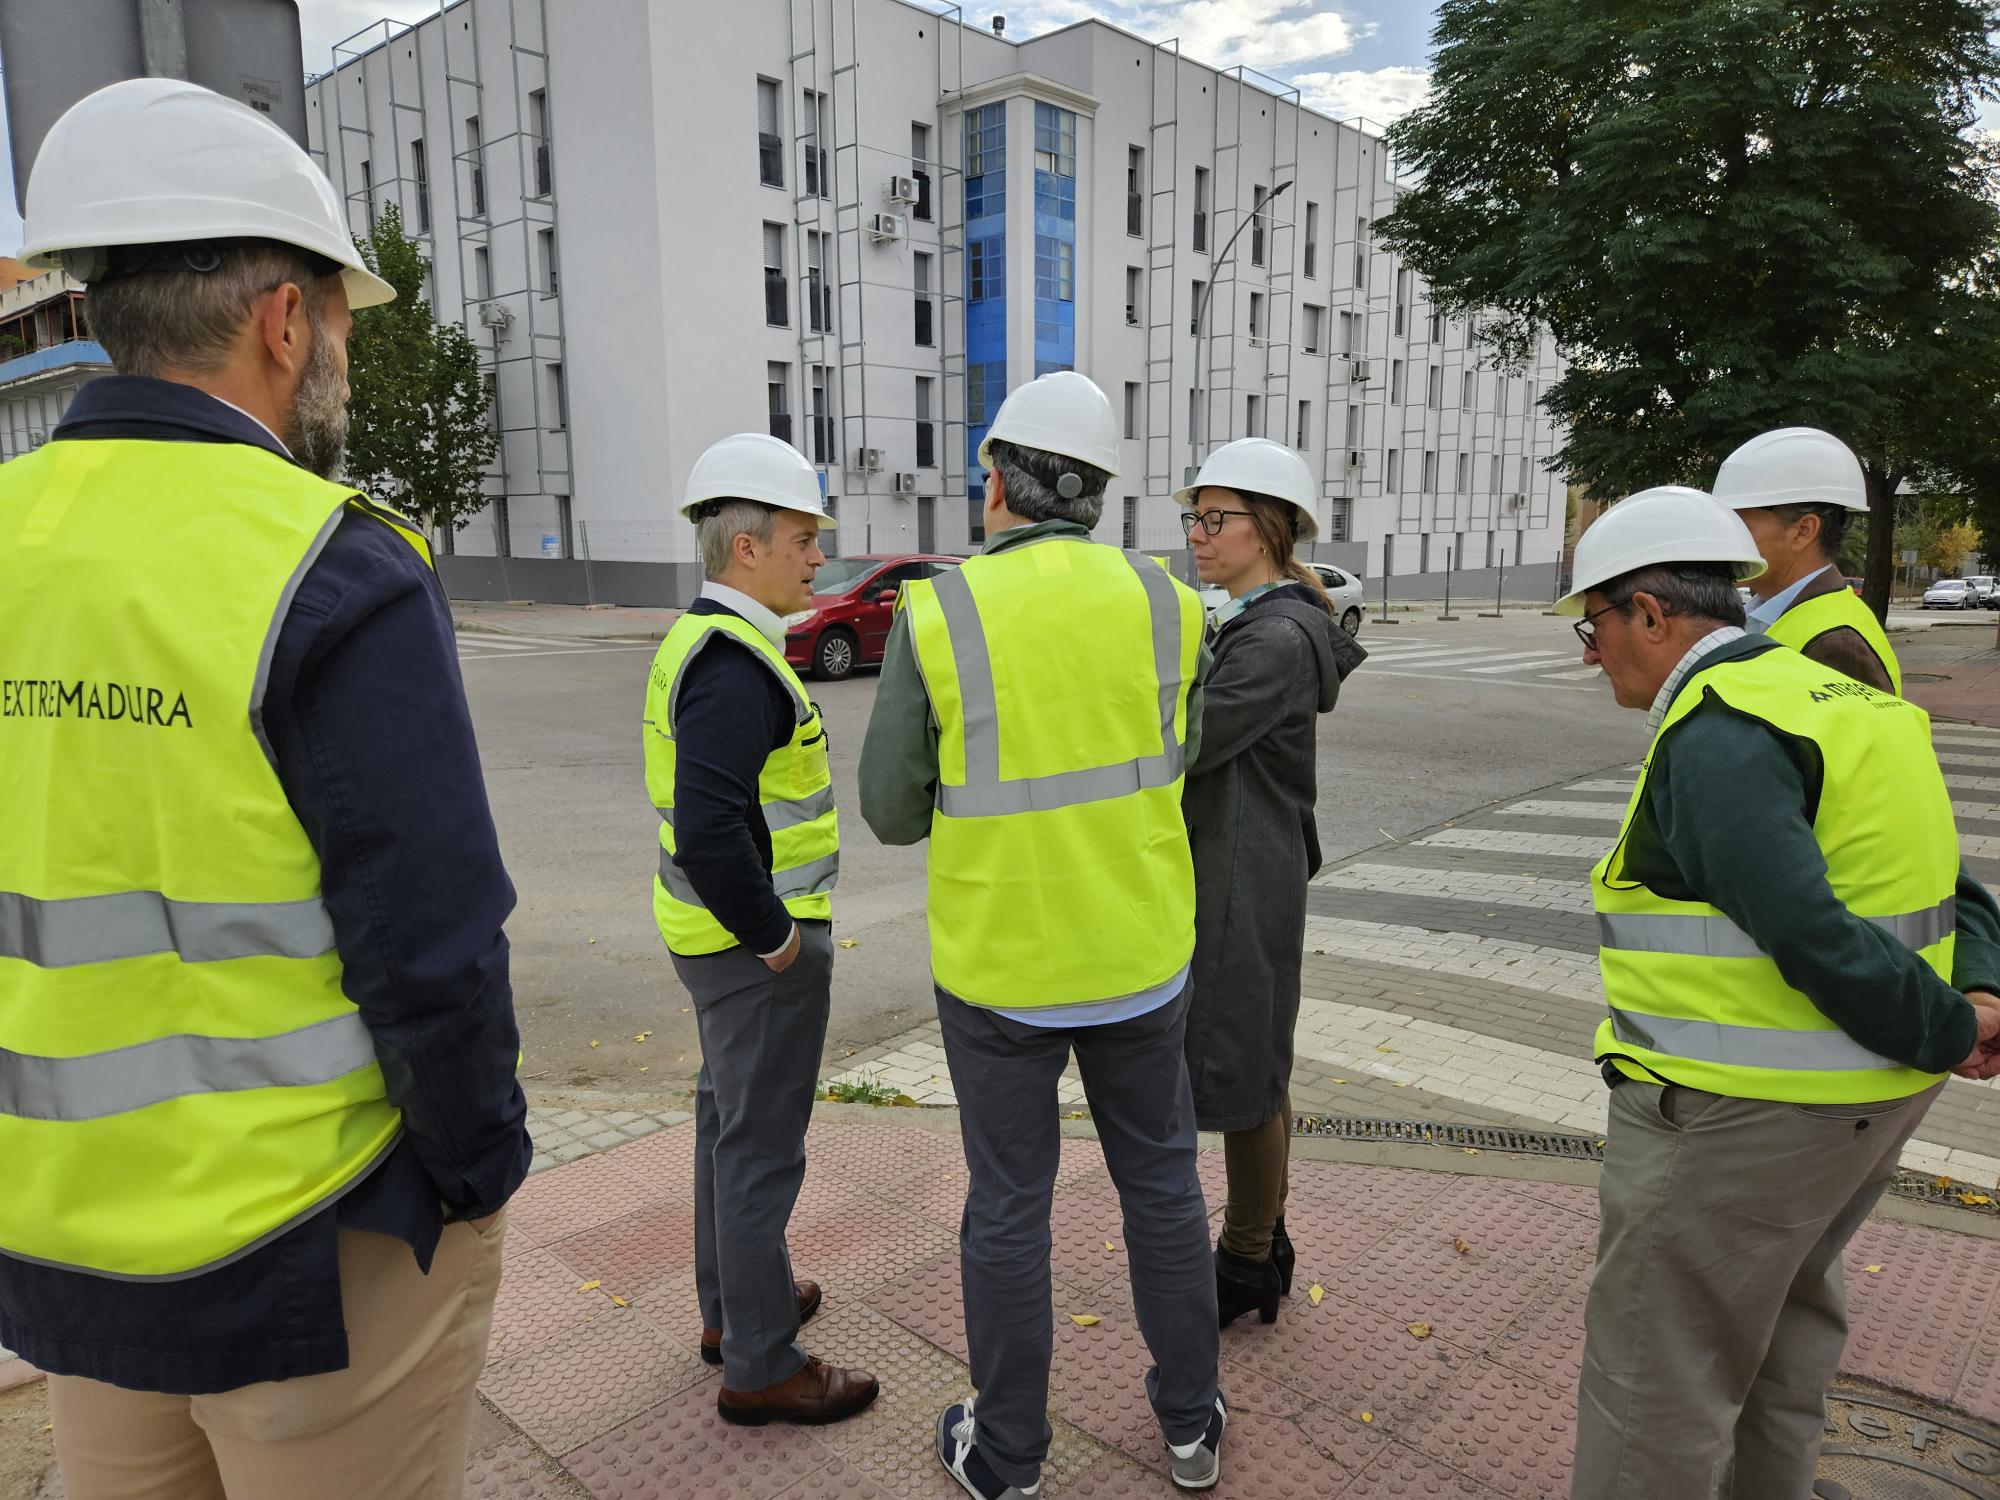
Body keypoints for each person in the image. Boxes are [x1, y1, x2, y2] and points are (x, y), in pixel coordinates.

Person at [0, 79, 530, 1498]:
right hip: (309, 1245)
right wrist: (480, 1172)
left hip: (61, 1240)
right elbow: (432, 950)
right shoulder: (327, 561)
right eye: (343, 322)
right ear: (284, 319)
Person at [1556, 486, 2000, 1498]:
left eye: (1594, 628)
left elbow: (1805, 927)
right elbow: (1951, 884)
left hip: (1736, 1114)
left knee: (1652, 1385)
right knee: (1786, 1334)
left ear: (1650, 615)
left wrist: (1942, 1027)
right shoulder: (1852, 705)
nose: (1591, 656)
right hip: (1860, 1107)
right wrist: (1977, 993)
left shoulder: (1718, 733)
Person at [860, 371, 1225, 1499]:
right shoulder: (1170, 604)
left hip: (1001, 969)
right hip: (1138, 956)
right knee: (1161, 1190)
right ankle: (1189, 1429)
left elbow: (885, 809)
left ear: (997, 480)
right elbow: (1182, 754)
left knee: (1009, 1205)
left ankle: (1008, 1455)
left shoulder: (939, 611)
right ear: (1097, 493)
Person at [644, 432, 877, 1426]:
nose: (818, 557)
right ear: (746, 548)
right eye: (802, 538)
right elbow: (707, 826)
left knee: (725, 1129)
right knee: (758, 1151)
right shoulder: (735, 665)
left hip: (711, 946)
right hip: (752, 956)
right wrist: (776, 939)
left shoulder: (703, 643)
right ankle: (763, 1364)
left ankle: (732, 1313)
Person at [1173, 438, 1365, 1327]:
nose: (1198, 536)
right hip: (1243, 860)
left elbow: (1188, 742)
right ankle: (1263, 1235)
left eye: (1216, 520)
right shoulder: (1257, 620)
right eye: (1195, 518)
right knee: (1257, 1056)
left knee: (1247, 1061)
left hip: (1244, 871)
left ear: (1272, 529)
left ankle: (1247, 1255)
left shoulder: (1276, 638)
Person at [1712, 426, 1900, 692]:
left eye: (1741, 525)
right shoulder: (1765, 616)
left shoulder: (1836, 642)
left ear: (1803, 531)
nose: (1728, 537)